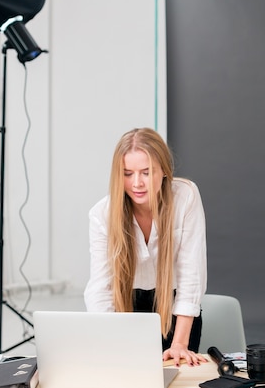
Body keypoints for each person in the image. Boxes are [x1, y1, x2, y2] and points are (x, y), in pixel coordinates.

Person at [84, 127, 208, 367]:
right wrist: (106, 340)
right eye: (127, 173)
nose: (137, 183)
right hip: (125, 309)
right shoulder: (102, 214)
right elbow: (101, 289)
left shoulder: (186, 197)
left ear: (163, 170)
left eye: (146, 172)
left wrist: (180, 344)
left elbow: (191, 275)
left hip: (174, 311)